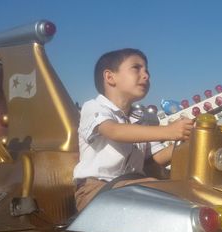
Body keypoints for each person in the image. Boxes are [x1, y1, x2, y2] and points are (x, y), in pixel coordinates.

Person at [73, 48, 193, 211]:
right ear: (110, 77)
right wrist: (170, 131)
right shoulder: (93, 107)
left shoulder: (142, 117)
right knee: (166, 193)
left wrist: (190, 141)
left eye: (147, 70)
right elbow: (114, 131)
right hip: (95, 191)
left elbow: (155, 158)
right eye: (136, 68)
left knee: (187, 189)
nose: (146, 75)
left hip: (132, 184)